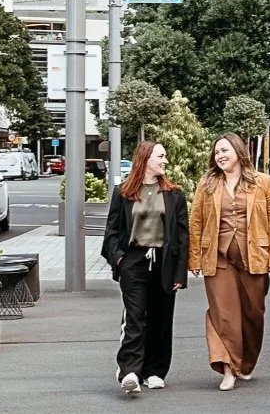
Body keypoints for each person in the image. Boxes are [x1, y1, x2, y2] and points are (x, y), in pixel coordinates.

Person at [189, 132, 270, 391]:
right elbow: (196, 221)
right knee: (224, 316)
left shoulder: (262, 182)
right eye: (217, 152)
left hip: (254, 257)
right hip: (218, 259)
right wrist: (193, 258)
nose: (220, 156)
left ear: (238, 151)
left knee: (254, 315)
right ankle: (228, 368)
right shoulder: (207, 184)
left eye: (225, 150)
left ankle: (246, 361)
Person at [102, 141, 189, 395]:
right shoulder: (123, 192)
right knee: (135, 317)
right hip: (134, 263)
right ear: (146, 158)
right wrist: (119, 259)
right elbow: (112, 232)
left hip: (164, 262)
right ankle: (130, 370)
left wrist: (179, 272)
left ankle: (155, 371)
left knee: (161, 318)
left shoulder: (175, 194)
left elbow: (183, 237)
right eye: (161, 156)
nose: (165, 161)